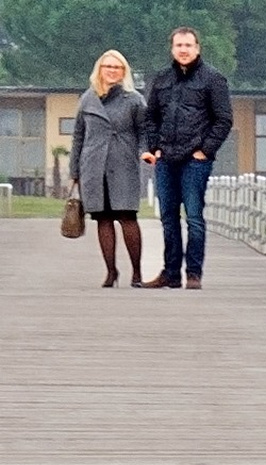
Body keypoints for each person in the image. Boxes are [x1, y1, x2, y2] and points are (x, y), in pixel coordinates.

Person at [142, 26, 233, 290]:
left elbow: (223, 120)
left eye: (188, 45)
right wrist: (155, 147)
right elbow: (151, 117)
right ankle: (170, 274)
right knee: (168, 218)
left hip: (195, 160)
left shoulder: (213, 79)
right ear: (172, 49)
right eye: (179, 45)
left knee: (193, 217)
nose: (183, 50)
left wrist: (205, 151)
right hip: (166, 159)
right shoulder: (161, 79)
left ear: (197, 48)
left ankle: (193, 273)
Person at [70, 50, 150, 288]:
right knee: (102, 218)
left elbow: (144, 131)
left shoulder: (134, 99)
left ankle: (137, 273)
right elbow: (78, 136)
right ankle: (111, 271)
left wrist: (144, 151)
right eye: (108, 66)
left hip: (123, 162)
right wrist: (74, 171)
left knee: (127, 217)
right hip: (93, 165)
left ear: (124, 71)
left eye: (117, 67)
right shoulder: (87, 99)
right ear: (100, 69)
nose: (112, 71)